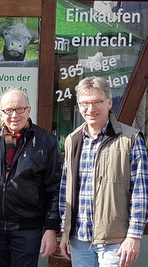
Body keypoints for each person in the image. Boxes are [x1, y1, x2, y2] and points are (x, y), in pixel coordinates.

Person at [0, 87, 62, 267]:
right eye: (8, 110)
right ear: (0, 114)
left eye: (20, 109)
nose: (14, 115)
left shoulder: (46, 142)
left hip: (27, 230)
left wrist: (51, 227)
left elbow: (55, 189)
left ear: (29, 110)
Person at [59, 76, 148, 267]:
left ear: (109, 102)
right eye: (85, 103)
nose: (90, 109)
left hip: (116, 241)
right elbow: (65, 190)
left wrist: (134, 236)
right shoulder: (72, 140)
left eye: (97, 102)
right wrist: (65, 231)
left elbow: (140, 193)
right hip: (79, 240)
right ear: (78, 105)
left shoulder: (130, 139)